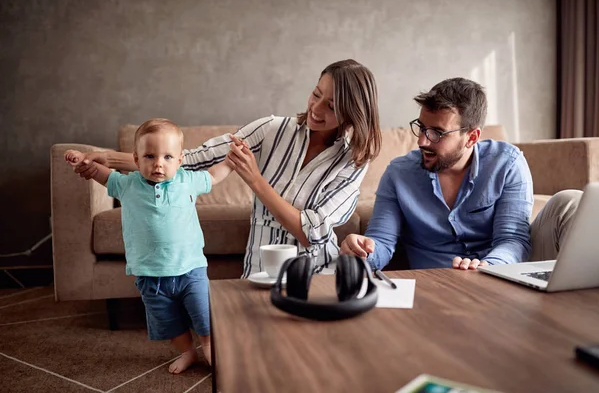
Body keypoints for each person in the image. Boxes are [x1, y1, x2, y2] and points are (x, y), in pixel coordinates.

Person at [73, 59, 382, 277]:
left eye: (331, 105)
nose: (316, 108)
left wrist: (256, 181)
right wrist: (109, 158)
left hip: (320, 269)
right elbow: (187, 160)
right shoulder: (271, 129)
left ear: (351, 112)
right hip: (262, 266)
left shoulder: (353, 160)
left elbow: (311, 233)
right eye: (317, 94)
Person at [340, 77, 582, 271]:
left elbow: (512, 238)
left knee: (569, 201)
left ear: (472, 137)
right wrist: (364, 251)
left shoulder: (506, 162)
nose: (422, 140)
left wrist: (490, 267)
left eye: (437, 132)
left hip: (500, 271)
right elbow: (381, 241)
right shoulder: (398, 174)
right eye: (422, 128)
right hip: (437, 284)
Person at [65, 118, 235, 374]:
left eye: (168, 157)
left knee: (205, 319)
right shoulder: (127, 184)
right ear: (136, 159)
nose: (158, 163)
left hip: (191, 271)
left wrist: (231, 161)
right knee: (169, 324)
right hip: (151, 276)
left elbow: (213, 174)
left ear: (179, 161)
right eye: (150, 156)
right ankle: (187, 352)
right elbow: (102, 174)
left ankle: (211, 351)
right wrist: (83, 160)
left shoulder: (187, 181)